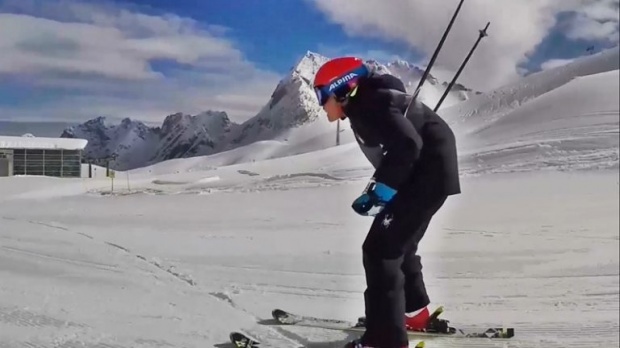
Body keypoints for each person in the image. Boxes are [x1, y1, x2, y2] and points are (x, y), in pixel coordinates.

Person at [312, 56, 461, 348]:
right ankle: (413, 313)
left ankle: (384, 341)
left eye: (322, 94)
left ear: (342, 88)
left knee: (380, 251)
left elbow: (407, 144)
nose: (320, 103)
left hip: (425, 178)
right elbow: (404, 144)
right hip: (431, 175)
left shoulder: (368, 103)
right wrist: (381, 187)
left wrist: (381, 191)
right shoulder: (374, 100)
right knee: (397, 246)